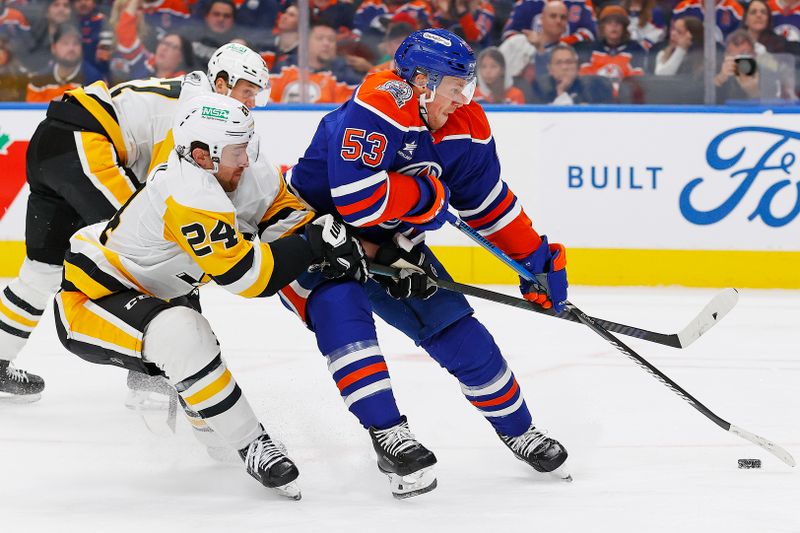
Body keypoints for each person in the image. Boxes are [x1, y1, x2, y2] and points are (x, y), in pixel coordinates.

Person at [283, 28, 571, 498]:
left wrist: (534, 261)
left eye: (466, 86)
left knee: (460, 331)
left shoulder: (466, 125)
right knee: (344, 314)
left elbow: (489, 206)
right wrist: (427, 195)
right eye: (456, 86)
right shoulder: (380, 99)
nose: (464, 98)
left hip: (391, 239)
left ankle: (519, 430)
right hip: (312, 234)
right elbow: (357, 199)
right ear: (421, 81)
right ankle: (389, 436)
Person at [52, 91, 366, 498]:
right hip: (93, 297)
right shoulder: (186, 191)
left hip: (164, 290)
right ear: (203, 156)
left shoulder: (237, 167)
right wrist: (313, 244)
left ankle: (213, 426)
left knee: (196, 366)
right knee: (185, 332)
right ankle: (254, 445)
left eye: (247, 146)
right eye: (238, 151)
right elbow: (247, 277)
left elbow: (287, 217)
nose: (248, 160)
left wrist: (349, 245)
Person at [0, 42, 270, 401]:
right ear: (222, 82)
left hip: (54, 140)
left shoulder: (193, 95)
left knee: (43, 269)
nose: (251, 102)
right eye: (247, 91)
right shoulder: (201, 113)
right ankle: (152, 374)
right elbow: (172, 195)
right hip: (87, 142)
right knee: (144, 253)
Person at [270, 21, 362, 103]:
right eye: (320, 38)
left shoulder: (345, 76)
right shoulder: (284, 69)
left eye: (331, 40)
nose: (326, 43)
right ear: (305, 43)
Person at [25, 23, 103, 102]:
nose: (71, 48)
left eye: (76, 43)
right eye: (65, 43)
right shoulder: (38, 80)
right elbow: (31, 112)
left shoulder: (95, 81)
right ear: (53, 48)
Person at [577, 5, 645, 84]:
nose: (614, 26)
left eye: (618, 23)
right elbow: (584, 78)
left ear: (624, 27)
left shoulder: (636, 49)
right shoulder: (590, 49)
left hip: (625, 95)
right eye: (609, 22)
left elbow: (638, 81)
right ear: (602, 27)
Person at [531, 42, 613, 102]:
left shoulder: (591, 88)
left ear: (577, 67)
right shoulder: (540, 89)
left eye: (569, 62)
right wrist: (560, 91)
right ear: (550, 69)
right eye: (559, 63)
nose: (564, 67)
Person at [502, 0, 596, 45]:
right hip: (530, 56)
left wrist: (559, 43)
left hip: (569, 57)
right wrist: (528, 41)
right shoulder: (527, 2)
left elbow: (590, 33)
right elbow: (509, 33)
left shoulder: (581, 2)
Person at [672, 0, 744, 44]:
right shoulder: (684, 8)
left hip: (723, 57)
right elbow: (673, 40)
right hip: (687, 57)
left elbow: (738, 41)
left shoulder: (735, 10)